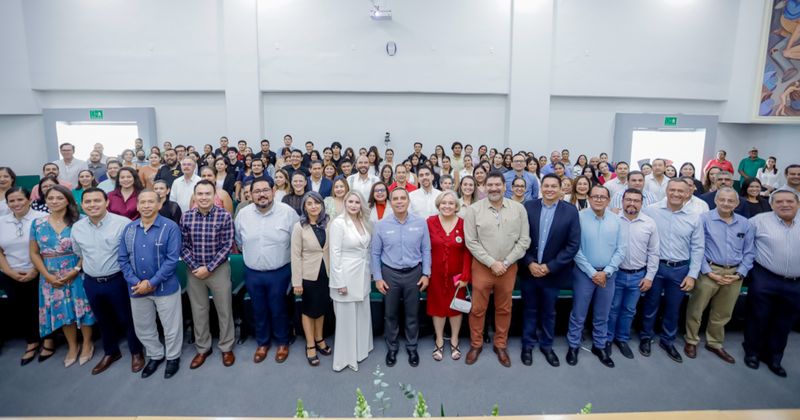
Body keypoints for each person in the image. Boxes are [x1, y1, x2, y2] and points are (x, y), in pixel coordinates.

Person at [71, 187, 144, 375]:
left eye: (97, 201)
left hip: (117, 280)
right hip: (91, 281)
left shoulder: (123, 224)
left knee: (127, 318)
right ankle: (111, 352)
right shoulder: (77, 227)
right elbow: (79, 253)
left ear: (107, 202)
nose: (92, 205)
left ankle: (136, 352)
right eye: (88, 202)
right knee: (102, 319)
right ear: (81, 204)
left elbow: (132, 253)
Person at [463, 171, 531, 367]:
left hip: (508, 268)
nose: (493, 188)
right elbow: (471, 242)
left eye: (497, 185)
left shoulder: (518, 209)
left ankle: (500, 344)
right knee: (477, 309)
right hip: (483, 267)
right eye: (489, 185)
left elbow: (524, 240)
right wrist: (492, 262)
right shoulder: (474, 210)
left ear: (504, 187)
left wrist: (506, 262)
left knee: (504, 308)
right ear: (483, 187)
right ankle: (476, 344)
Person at [683, 188, 755, 363]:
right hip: (709, 271)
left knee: (723, 312)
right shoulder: (704, 219)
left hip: (734, 274)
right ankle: (691, 340)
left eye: (730, 201)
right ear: (715, 201)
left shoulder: (746, 224)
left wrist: (739, 274)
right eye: (722, 199)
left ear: (737, 204)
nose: (726, 203)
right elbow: (697, 248)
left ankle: (714, 342)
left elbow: (750, 252)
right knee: (696, 309)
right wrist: (709, 272)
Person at [118, 189, 183, 379]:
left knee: (171, 327)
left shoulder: (170, 227)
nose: (146, 206)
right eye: (142, 202)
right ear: (137, 205)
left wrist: (152, 282)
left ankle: (173, 357)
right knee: (143, 327)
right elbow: (122, 259)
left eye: (150, 202)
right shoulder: (129, 229)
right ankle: (155, 355)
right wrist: (137, 282)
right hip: (137, 289)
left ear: (159, 204)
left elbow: (172, 260)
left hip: (165, 287)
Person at [29, 185, 96, 367]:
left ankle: (87, 343)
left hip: (77, 271)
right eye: (50, 198)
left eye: (59, 198)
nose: (54, 201)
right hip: (50, 275)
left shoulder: (80, 221)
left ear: (67, 200)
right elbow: (34, 253)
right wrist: (46, 276)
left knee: (82, 308)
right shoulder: (37, 223)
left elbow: (87, 249)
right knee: (63, 311)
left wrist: (75, 270)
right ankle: (72, 346)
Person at [235, 177, 299, 364]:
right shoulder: (243, 214)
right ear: (251, 194)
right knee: (259, 309)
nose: (261, 194)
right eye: (257, 191)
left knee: (279, 308)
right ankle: (262, 343)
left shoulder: (287, 213)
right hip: (253, 272)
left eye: (265, 190)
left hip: (279, 271)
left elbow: (296, 241)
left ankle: (282, 342)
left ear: (273, 191)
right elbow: (239, 241)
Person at [639, 179, 704, 363]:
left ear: (688, 193)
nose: (676, 194)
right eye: (672, 190)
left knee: (673, 308)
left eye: (680, 191)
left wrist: (692, 275)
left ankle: (667, 340)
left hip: (680, 269)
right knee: (650, 305)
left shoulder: (694, 216)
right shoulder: (651, 210)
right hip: (655, 266)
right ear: (666, 191)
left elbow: (698, 248)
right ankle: (646, 337)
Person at [519, 174, 580, 367]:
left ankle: (547, 346)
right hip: (529, 270)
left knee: (549, 312)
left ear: (561, 189)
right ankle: (527, 345)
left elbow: (572, 245)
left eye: (554, 186)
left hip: (553, 273)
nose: (550, 189)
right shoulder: (528, 207)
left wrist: (549, 266)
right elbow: (519, 237)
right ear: (541, 188)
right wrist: (530, 263)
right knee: (529, 310)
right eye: (546, 186)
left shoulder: (570, 212)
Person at [566, 185, 626, 368]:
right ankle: (573, 345)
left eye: (603, 197)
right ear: (589, 198)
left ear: (608, 200)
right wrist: (592, 272)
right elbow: (575, 248)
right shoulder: (579, 217)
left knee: (603, 313)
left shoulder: (617, 221)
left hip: (608, 275)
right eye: (595, 196)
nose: (599, 200)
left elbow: (621, 249)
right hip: (584, 273)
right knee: (578, 313)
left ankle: (599, 346)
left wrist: (606, 272)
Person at [743, 188, 800, 377]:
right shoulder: (758, 221)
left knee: (784, 322)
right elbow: (743, 244)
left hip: (795, 282)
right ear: (771, 204)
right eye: (779, 202)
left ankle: (774, 358)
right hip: (765, 276)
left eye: (790, 201)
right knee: (758, 317)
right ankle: (752, 353)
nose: (785, 204)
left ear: (797, 204)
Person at [372, 188, 431, 368]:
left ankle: (412, 347)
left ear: (408, 201)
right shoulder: (382, 225)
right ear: (391, 202)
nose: (399, 201)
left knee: (412, 313)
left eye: (402, 198)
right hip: (390, 274)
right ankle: (392, 347)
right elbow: (375, 253)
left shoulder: (421, 223)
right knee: (390, 314)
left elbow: (426, 250)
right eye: (395, 199)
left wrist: (426, 274)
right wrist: (378, 278)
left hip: (414, 273)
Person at [179, 181, 236, 370]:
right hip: (194, 270)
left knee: (224, 310)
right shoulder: (186, 217)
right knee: (199, 310)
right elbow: (183, 246)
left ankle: (226, 347)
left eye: (207, 194)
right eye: (200, 194)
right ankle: (203, 348)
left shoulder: (225, 216)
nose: (203, 197)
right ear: (194, 196)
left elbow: (227, 245)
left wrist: (209, 267)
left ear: (214, 195)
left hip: (218, 270)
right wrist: (196, 267)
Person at [606, 188, 659, 360]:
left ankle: (622, 339)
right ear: (622, 201)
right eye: (628, 199)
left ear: (641, 203)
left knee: (629, 310)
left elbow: (654, 252)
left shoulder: (649, 223)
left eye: (636, 200)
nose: (632, 203)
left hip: (638, 275)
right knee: (612, 309)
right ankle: (607, 339)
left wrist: (649, 276)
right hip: (616, 273)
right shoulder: (613, 219)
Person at [327, 190, 373, 372]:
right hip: (345, 275)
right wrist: (339, 282)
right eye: (350, 202)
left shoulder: (362, 221)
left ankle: (361, 350)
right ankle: (345, 358)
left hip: (362, 274)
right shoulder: (338, 223)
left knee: (362, 314)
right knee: (346, 319)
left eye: (357, 202)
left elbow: (365, 250)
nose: (354, 205)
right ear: (345, 203)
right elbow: (334, 253)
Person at [0, 187, 47, 365]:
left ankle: (48, 341)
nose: (16, 204)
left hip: (39, 270)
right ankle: (32, 342)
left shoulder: (40, 219)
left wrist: (35, 270)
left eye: (20, 199)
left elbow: (47, 247)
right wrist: (9, 271)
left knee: (40, 307)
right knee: (21, 309)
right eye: (11, 201)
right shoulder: (1, 221)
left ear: (29, 200)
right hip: (10, 272)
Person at [426, 191, 472, 361]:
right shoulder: (430, 222)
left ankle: (454, 339)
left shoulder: (463, 223)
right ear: (438, 205)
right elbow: (425, 249)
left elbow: (468, 252)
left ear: (456, 206)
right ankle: (439, 340)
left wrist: (466, 276)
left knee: (455, 308)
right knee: (438, 307)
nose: (447, 206)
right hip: (435, 275)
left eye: (451, 203)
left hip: (457, 275)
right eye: (444, 203)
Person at [290, 192, 333, 367]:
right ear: (305, 207)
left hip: (326, 274)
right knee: (309, 310)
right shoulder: (299, 227)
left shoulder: (328, 224)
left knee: (321, 308)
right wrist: (297, 282)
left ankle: (319, 338)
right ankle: (310, 345)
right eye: (310, 204)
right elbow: (295, 255)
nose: (314, 206)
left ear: (322, 205)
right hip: (308, 275)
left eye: (317, 203)